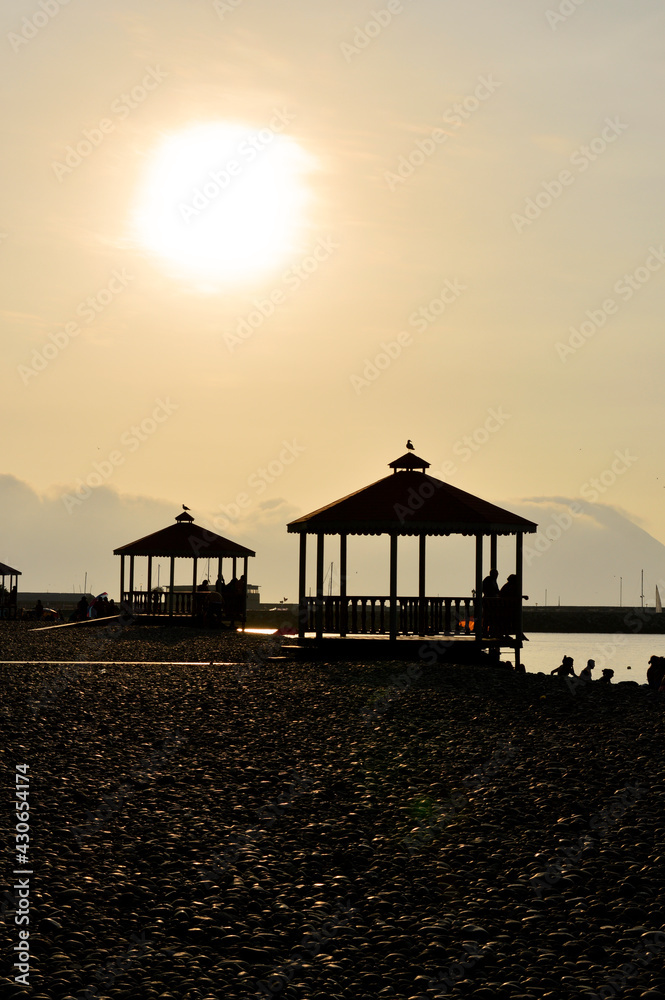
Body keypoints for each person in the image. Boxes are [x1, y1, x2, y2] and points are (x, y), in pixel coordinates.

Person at [482, 569, 500, 636]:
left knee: (491, 617)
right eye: (496, 574)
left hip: (492, 602)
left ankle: (490, 630)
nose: (497, 576)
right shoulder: (489, 580)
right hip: (489, 602)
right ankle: (486, 631)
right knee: (487, 616)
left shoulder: (493, 581)